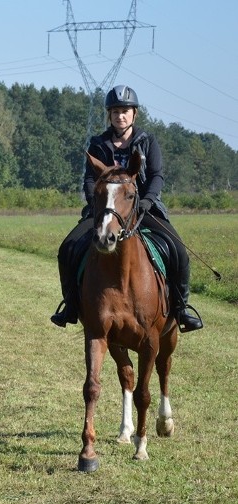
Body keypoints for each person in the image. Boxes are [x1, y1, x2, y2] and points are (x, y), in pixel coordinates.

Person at [51, 85, 203, 332]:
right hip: (105, 210)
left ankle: (181, 309)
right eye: (115, 112)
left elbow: (157, 176)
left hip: (143, 209)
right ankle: (70, 305)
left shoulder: (147, 141)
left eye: (125, 111)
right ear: (109, 115)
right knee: (67, 247)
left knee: (178, 251)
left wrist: (147, 200)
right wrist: (95, 202)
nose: (120, 116)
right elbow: (90, 179)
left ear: (134, 114)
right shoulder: (98, 143)